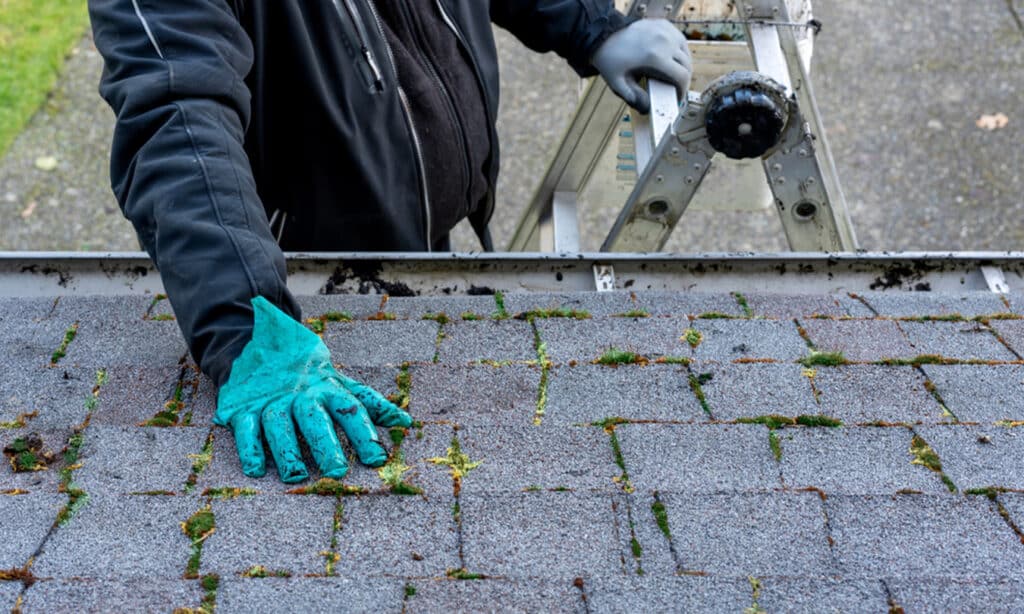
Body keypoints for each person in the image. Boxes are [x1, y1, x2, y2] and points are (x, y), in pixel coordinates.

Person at [88, 0, 692, 482]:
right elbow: (177, 116)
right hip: (301, 294)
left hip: (427, 238)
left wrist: (589, 23)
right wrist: (247, 323)